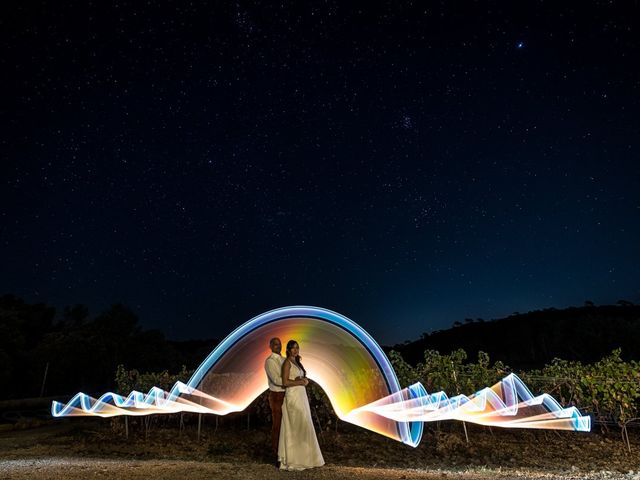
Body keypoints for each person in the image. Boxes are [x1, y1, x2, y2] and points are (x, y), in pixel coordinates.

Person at [278, 340, 325, 471]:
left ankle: (306, 458)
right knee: (295, 425)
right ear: (288, 350)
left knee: (304, 424)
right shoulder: (287, 363)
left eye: (297, 348)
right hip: (293, 396)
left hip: (301, 396)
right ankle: (294, 459)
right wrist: (299, 382)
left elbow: (299, 379)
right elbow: (285, 382)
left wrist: (305, 381)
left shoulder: (297, 363)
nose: (295, 350)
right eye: (293, 348)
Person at [264, 337, 285, 465]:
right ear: (270, 346)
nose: (278, 346)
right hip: (277, 395)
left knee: (286, 425)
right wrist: (292, 383)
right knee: (277, 424)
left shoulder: (283, 360)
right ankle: (275, 453)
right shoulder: (270, 362)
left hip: (285, 394)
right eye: (275, 344)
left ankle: (284, 452)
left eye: (279, 344)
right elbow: (276, 381)